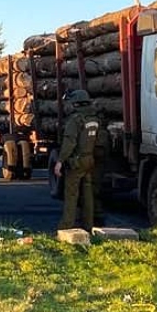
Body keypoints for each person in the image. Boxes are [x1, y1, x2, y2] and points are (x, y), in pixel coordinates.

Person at [54, 89, 105, 232]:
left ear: (75, 103)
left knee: (71, 194)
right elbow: (100, 141)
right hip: (90, 159)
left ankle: (66, 227)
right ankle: (88, 226)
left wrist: (60, 161)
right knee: (88, 194)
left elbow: (69, 142)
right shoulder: (95, 119)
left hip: (76, 161)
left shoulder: (75, 120)